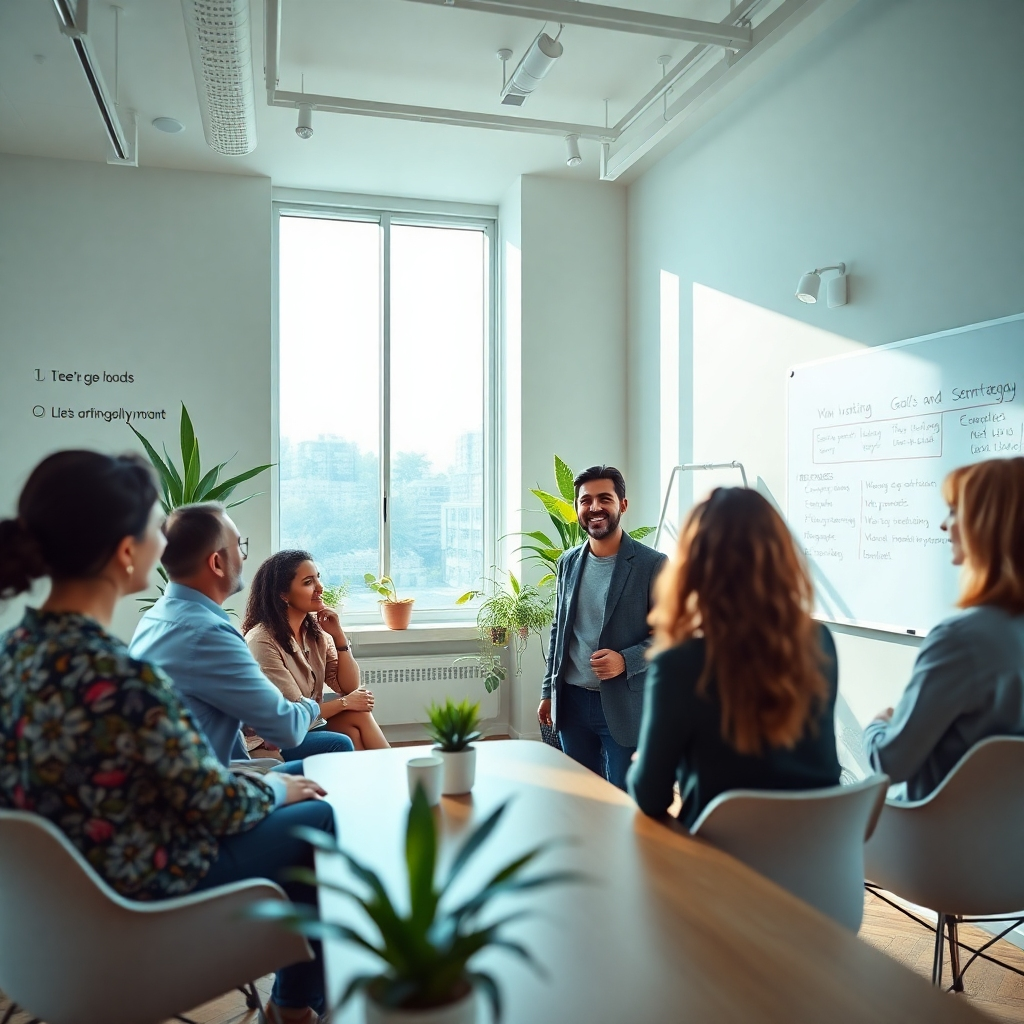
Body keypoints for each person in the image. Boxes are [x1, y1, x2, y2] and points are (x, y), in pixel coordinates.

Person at [0, 451, 331, 1023]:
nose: (164, 541)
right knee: (317, 816)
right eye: (156, 526)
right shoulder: (122, 680)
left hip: (42, 919)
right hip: (133, 897)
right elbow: (216, 803)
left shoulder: (13, 654)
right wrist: (281, 789)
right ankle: (296, 1009)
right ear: (127, 552)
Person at [628, 487, 841, 828]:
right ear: (779, 557)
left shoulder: (679, 664)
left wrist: (643, 764)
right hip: (819, 864)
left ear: (693, 566)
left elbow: (651, 797)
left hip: (720, 871)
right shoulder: (820, 642)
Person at [130, 503, 354, 771]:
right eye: (239, 546)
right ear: (217, 563)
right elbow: (287, 730)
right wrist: (310, 708)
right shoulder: (211, 633)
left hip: (180, 772)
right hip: (215, 784)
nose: (244, 557)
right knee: (322, 794)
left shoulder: (156, 617)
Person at [864, 458, 1024, 798]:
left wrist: (878, 725)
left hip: (933, 843)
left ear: (987, 525)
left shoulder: (960, 642)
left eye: (954, 510)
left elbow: (889, 763)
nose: (943, 525)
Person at [538, 466, 668, 790]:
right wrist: (547, 692)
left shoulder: (653, 565)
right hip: (572, 704)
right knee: (582, 795)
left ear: (622, 504)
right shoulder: (567, 562)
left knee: (624, 799)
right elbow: (559, 629)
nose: (594, 508)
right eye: (586, 501)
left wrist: (626, 660)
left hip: (625, 705)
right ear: (577, 508)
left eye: (604, 499)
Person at [243, 551, 389, 751]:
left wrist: (339, 636)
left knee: (358, 722)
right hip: (274, 737)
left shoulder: (315, 633)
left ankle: (385, 777)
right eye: (308, 582)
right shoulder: (261, 641)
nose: (320, 588)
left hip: (308, 725)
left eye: (318, 578)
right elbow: (295, 713)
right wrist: (346, 703)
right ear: (283, 595)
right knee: (349, 733)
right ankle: (397, 776)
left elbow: (348, 685)